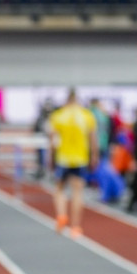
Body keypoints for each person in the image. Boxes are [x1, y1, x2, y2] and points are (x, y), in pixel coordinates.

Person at [47, 89, 97, 238]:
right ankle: (76, 226)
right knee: (77, 192)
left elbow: (53, 140)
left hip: (63, 158)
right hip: (80, 158)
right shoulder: (87, 115)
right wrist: (94, 156)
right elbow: (93, 139)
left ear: (66, 100)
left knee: (60, 189)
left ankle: (61, 215)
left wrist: (50, 157)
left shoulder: (58, 116)